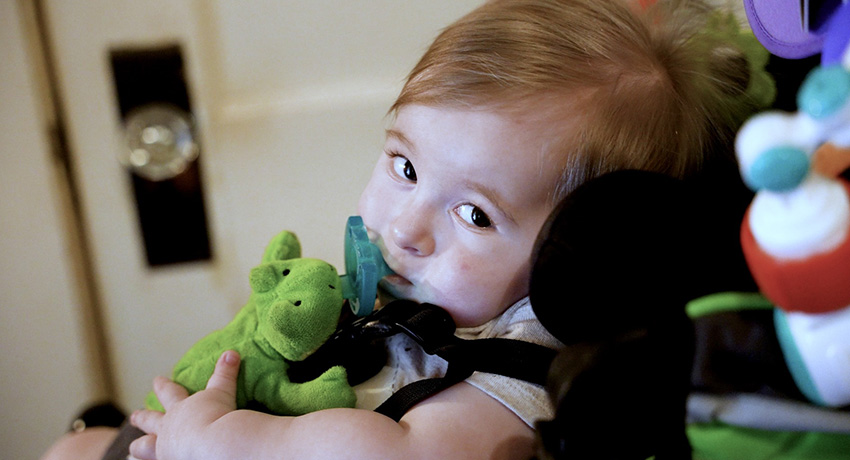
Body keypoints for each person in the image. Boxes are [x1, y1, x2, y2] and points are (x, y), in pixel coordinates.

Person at [40, 0, 771, 459]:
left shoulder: (521, 382)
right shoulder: (419, 289)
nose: (408, 226)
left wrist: (233, 441)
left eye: (475, 214)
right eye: (405, 165)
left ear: (586, 252)